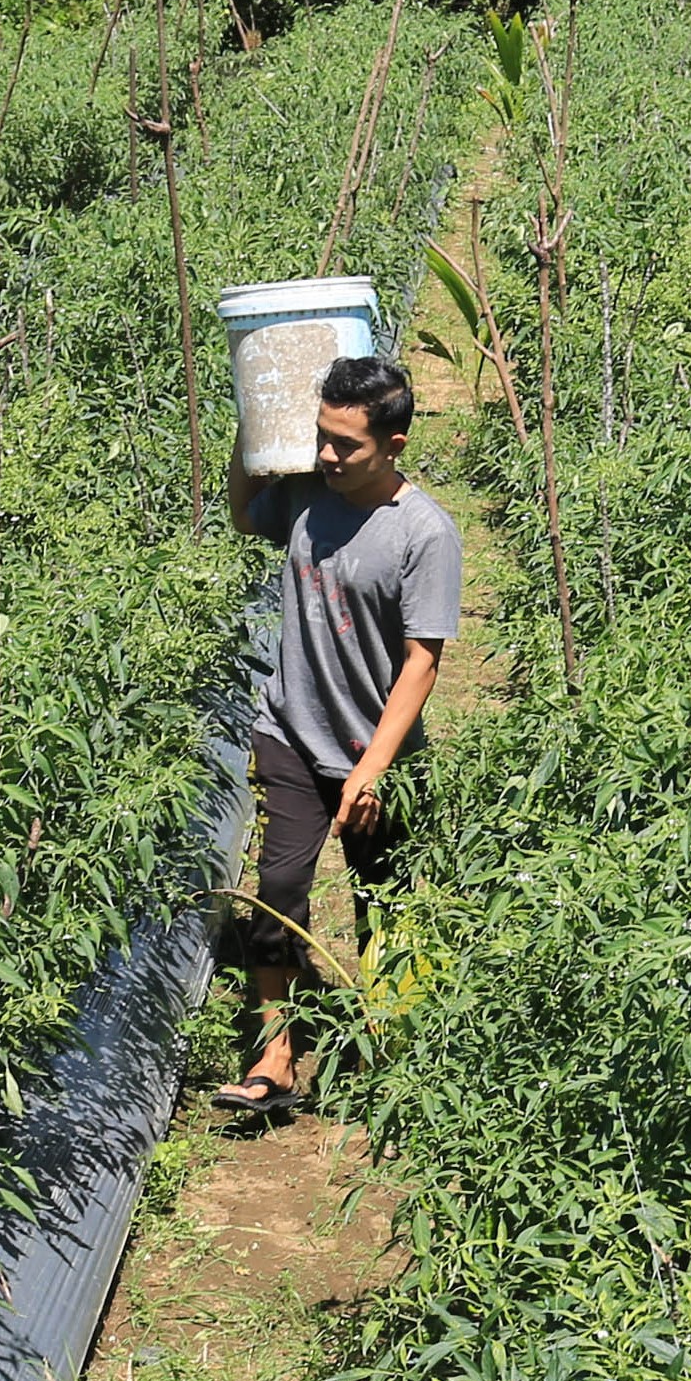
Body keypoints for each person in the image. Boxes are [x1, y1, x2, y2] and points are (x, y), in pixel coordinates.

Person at [213, 352, 461, 1116]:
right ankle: (275, 1052)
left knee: (382, 901)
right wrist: (252, 423)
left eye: (345, 444)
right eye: (320, 435)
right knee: (279, 890)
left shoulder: (423, 533)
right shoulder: (304, 497)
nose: (327, 455)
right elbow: (239, 509)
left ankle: (387, 1051)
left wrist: (373, 768)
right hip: (290, 729)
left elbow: (421, 662)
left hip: (373, 750)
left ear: (394, 443)